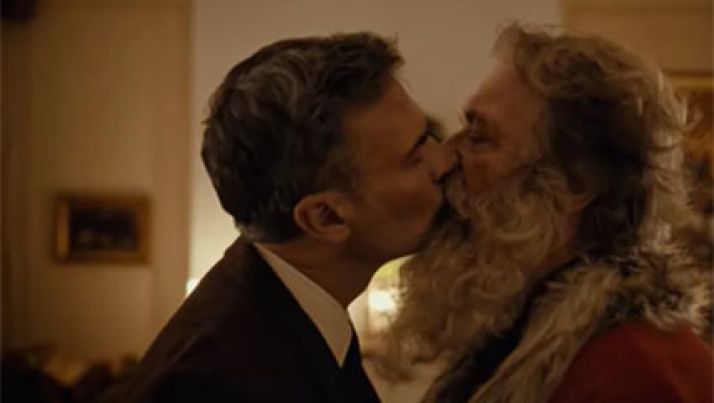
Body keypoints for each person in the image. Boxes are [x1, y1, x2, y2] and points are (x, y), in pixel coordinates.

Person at [105, 32, 454, 402]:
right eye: (416, 155)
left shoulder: (286, 314)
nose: (446, 160)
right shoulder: (219, 385)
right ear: (326, 217)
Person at [381, 23, 713, 403]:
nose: (445, 159)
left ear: (574, 184)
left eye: (479, 138)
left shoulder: (639, 372)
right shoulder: (522, 336)